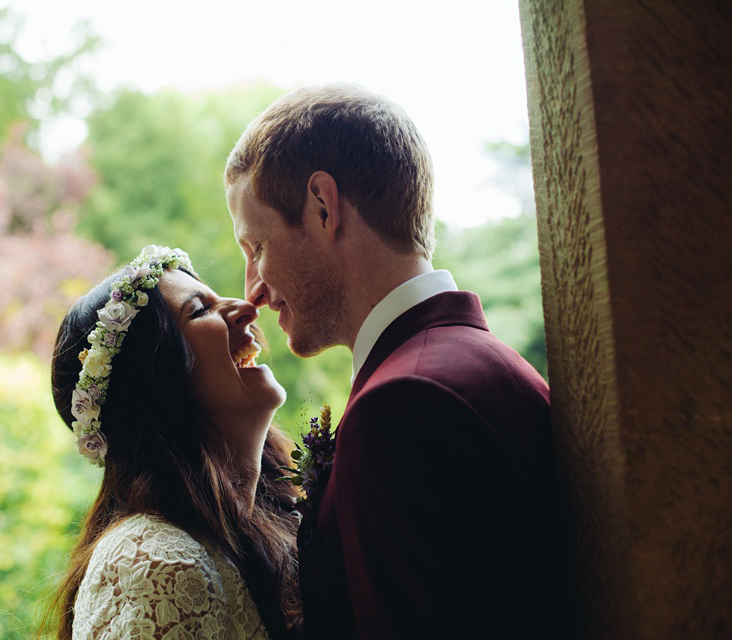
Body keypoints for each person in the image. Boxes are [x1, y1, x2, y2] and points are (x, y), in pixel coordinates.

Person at [224, 84, 562, 639]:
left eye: (255, 248)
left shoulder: (405, 407)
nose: (252, 290)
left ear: (323, 207)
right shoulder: (471, 363)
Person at [46, 245, 301, 640]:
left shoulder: (275, 520)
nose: (247, 307)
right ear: (154, 383)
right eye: (200, 310)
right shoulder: (151, 561)